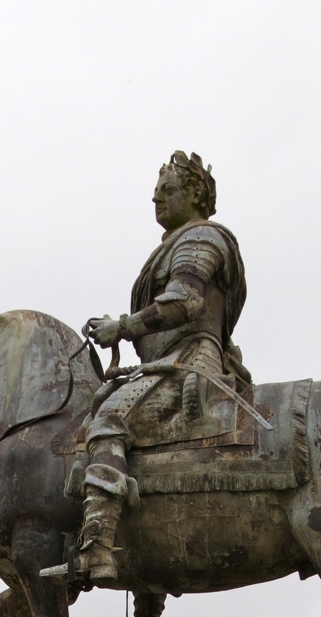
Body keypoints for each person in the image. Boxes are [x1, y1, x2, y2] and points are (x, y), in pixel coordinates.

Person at [76, 152, 249, 587]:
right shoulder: (176, 242)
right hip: (164, 362)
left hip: (190, 359)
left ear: (195, 195)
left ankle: (96, 544)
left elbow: (185, 301)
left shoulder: (201, 238)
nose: (155, 199)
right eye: (155, 192)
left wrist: (123, 327)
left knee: (110, 420)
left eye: (167, 190)